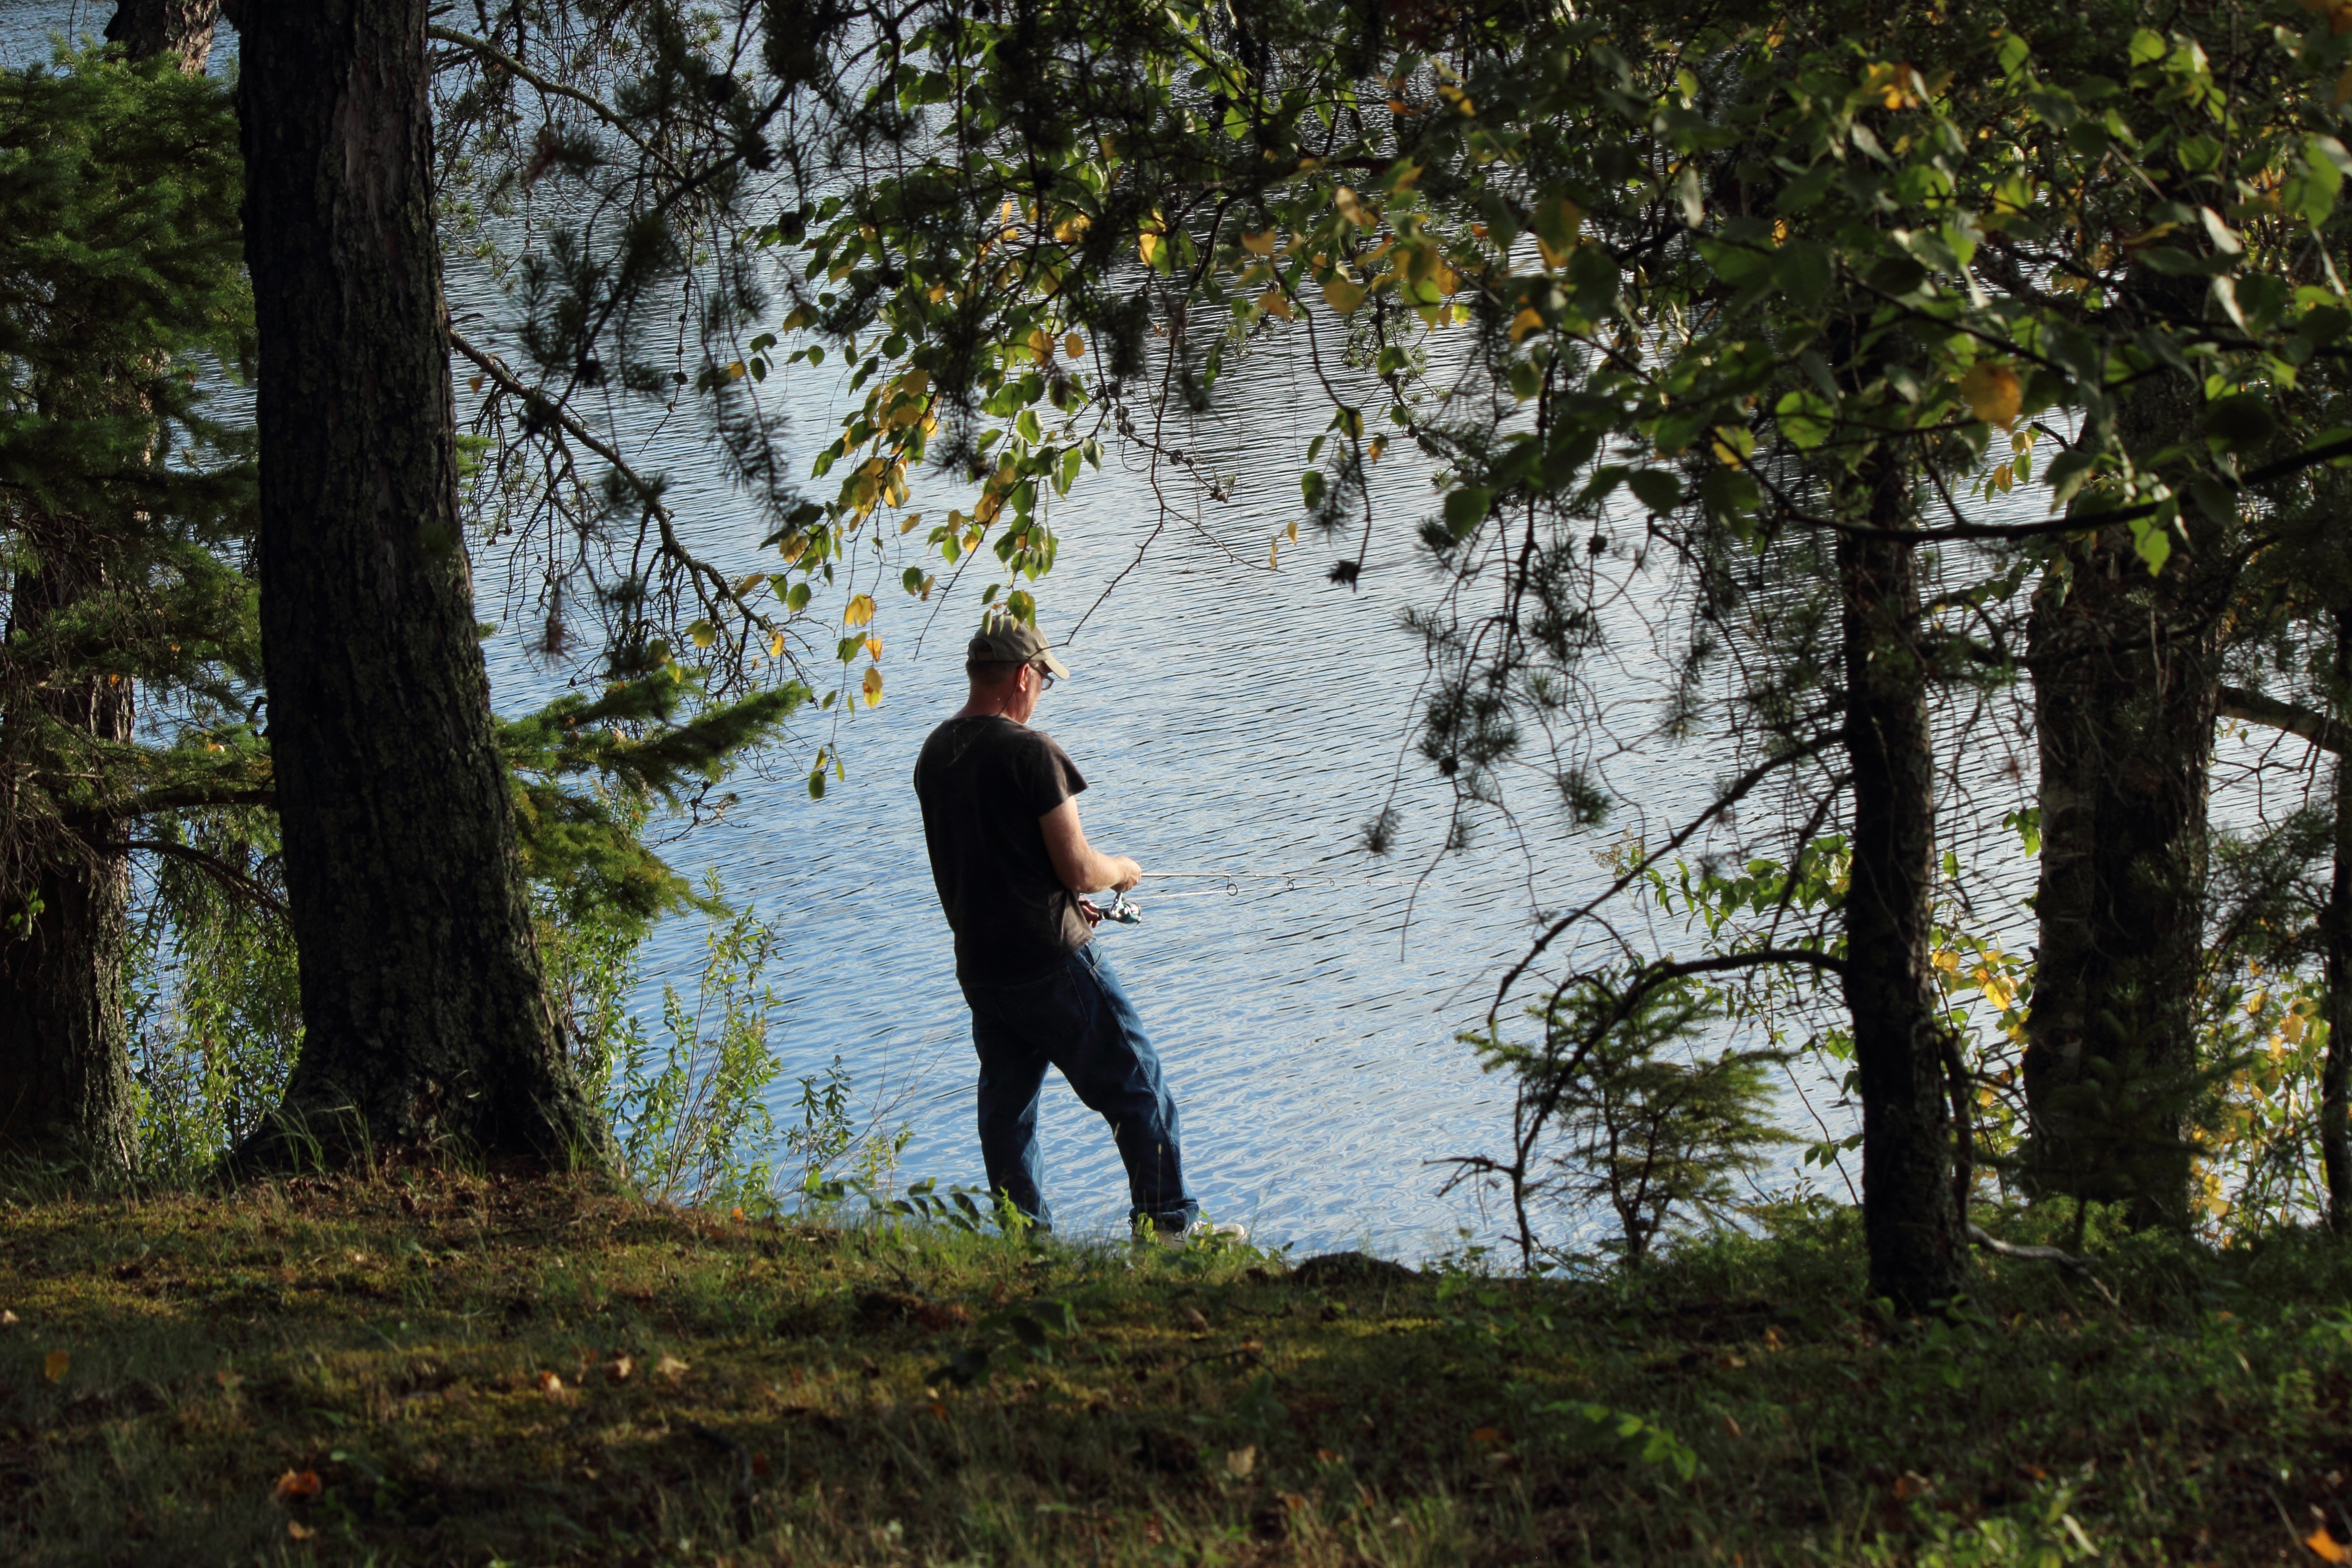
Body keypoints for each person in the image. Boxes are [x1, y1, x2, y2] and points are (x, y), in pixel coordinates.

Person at [912, 611, 1239, 1244]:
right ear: (1023, 677)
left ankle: (1026, 1241)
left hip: (984, 968)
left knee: (1009, 1114)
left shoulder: (936, 752)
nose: (1041, 693)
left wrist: (1063, 895)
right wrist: (1120, 871)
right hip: (1051, 962)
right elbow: (1079, 866)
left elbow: (990, 861)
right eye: (1043, 679)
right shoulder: (1029, 752)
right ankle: (1167, 1233)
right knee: (1139, 1090)